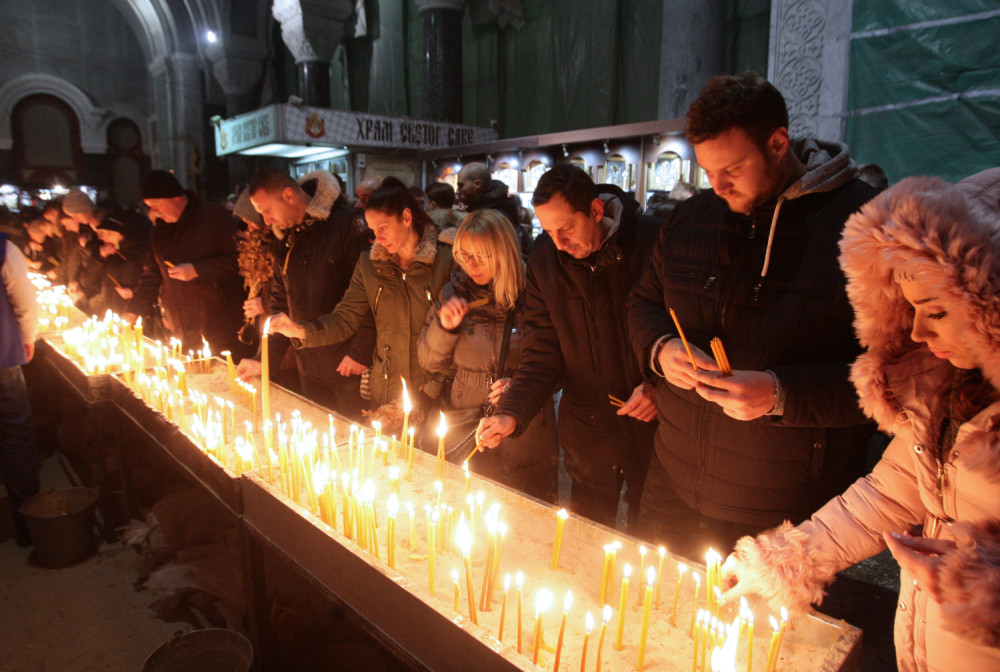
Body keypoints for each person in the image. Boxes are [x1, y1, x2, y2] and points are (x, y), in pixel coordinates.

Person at [721, 177, 1000, 672]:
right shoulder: (946, 390)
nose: (916, 331)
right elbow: (891, 493)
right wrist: (787, 561)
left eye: (936, 310)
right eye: (911, 308)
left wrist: (987, 591)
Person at [627, 72, 878, 557]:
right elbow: (642, 303)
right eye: (706, 172)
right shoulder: (690, 219)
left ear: (778, 143)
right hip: (673, 482)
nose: (716, 187)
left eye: (733, 170)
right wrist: (661, 349)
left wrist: (782, 394)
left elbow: (891, 377)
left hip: (785, 509)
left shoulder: (863, 226)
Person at [475, 165, 658, 531]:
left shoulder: (651, 243)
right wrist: (511, 413)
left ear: (595, 211)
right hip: (589, 431)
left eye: (566, 228)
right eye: (547, 230)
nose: (558, 242)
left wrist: (661, 386)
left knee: (652, 542)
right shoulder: (546, 261)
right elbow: (543, 352)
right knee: (587, 538)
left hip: (655, 433)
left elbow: (681, 331)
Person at [269, 176, 453, 411]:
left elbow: (458, 336)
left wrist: (431, 391)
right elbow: (345, 317)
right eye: (374, 230)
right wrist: (301, 331)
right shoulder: (370, 264)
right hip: (386, 392)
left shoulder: (444, 261)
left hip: (429, 392)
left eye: (383, 228)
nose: (377, 238)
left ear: (407, 218)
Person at [418, 210, 558, 502]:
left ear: (503, 252)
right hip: (465, 422)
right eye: (464, 255)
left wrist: (519, 386)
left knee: (522, 510)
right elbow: (428, 362)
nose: (471, 265)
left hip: (526, 428)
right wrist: (445, 327)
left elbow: (556, 361)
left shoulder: (535, 294)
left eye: (481, 255)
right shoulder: (452, 293)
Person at [238, 168, 374, 419]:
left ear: (289, 195)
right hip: (308, 365)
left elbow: (373, 294)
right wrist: (264, 360)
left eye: (267, 211)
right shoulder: (287, 238)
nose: (266, 221)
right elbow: (280, 303)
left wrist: (361, 352)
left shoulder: (346, 224)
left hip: (348, 367)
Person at [125, 170, 252, 359]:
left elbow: (240, 260)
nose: (154, 212)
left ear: (176, 198)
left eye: (156, 204)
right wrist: (134, 310)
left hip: (222, 327)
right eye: (149, 207)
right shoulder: (159, 231)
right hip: (182, 329)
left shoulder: (215, 218)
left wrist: (197, 270)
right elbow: (152, 274)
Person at [0, 229, 40, 547]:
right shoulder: (4, 248)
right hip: (2, 356)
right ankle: (30, 526)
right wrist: (27, 337)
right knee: (16, 435)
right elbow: (25, 300)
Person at [456, 162, 532, 254]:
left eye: (461, 185)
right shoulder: (495, 205)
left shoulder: (493, 213)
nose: (458, 191)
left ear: (477, 184)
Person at [92, 217, 147, 316]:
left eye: (108, 234)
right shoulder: (104, 253)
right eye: (101, 234)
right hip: (109, 310)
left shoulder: (139, 252)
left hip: (132, 311)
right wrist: (100, 258)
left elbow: (151, 280)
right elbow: (88, 281)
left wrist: (133, 292)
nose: (103, 238)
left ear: (121, 234)